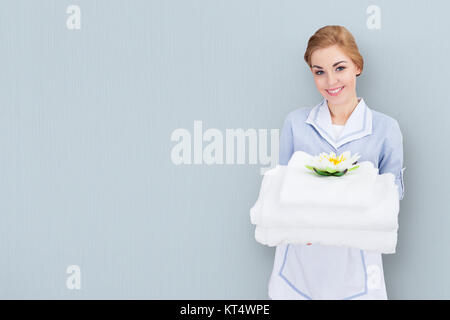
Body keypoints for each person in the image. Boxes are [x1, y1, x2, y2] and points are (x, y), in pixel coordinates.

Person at [268, 25, 405, 300]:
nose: (331, 81)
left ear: (357, 66)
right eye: (320, 71)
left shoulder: (385, 129)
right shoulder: (295, 124)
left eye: (339, 68)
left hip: (359, 272)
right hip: (297, 270)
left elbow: (392, 199)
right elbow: (279, 192)